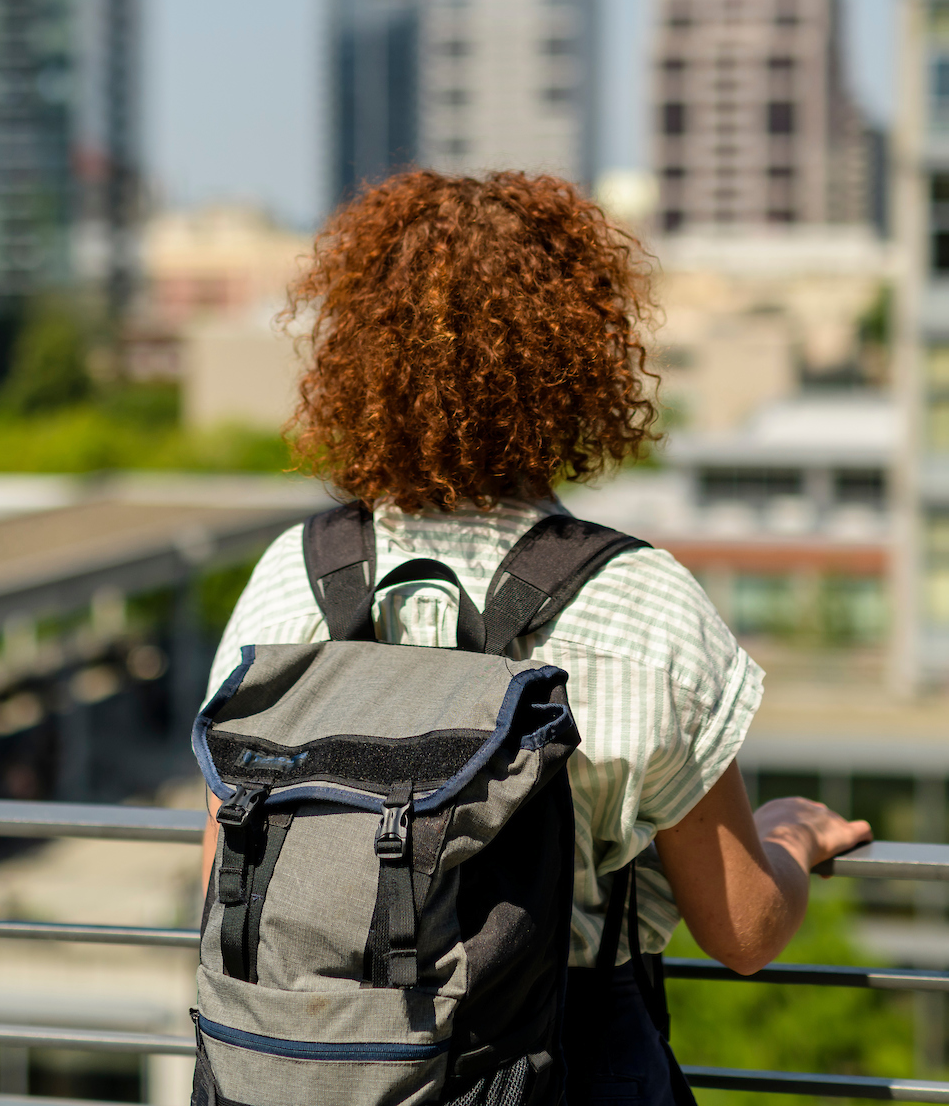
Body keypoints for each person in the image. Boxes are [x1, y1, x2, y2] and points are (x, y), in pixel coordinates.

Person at [199, 169, 868, 1106]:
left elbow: (226, 879)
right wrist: (790, 841)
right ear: (579, 360)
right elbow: (744, 933)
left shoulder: (289, 582)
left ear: (355, 354)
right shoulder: (639, 602)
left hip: (313, 1072)